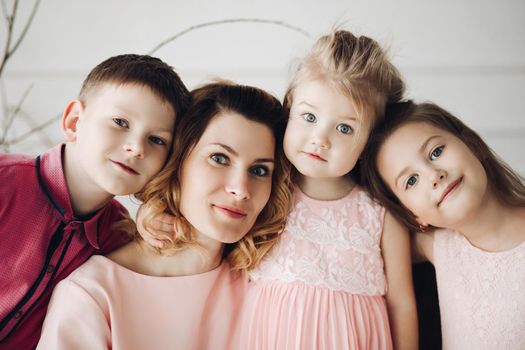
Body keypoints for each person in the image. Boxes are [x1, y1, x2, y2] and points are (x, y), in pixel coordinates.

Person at [36, 82, 293, 350]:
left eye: (260, 171)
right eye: (219, 158)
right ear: (176, 162)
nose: (240, 190)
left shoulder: (269, 286)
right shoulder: (94, 294)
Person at [239, 30, 418, 349]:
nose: (320, 139)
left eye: (345, 128)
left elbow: (400, 304)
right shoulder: (262, 188)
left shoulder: (379, 214)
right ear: (289, 109)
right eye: (309, 116)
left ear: (368, 141)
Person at [0, 54, 189, 349]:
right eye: (120, 122)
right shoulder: (5, 182)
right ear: (74, 121)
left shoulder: (119, 236)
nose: (136, 147)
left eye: (156, 140)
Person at [362, 101, 525, 349]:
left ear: (472, 144)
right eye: (411, 181)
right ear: (413, 214)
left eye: (436, 152)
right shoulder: (437, 246)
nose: (433, 175)